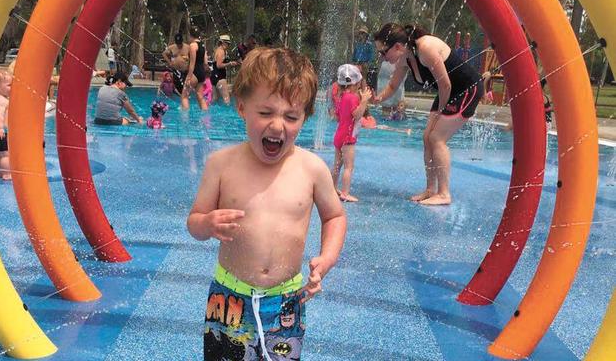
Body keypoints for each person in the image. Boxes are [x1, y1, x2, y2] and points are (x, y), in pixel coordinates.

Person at [187, 47, 346, 361]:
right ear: (242, 107)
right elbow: (194, 221)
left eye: (291, 116)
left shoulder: (311, 169)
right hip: (229, 300)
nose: (277, 126)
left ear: (305, 117)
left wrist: (326, 259)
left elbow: (335, 216)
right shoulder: (221, 164)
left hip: (287, 300)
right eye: (265, 113)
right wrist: (206, 224)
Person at [374, 23, 483, 206]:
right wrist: (376, 99)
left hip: (466, 89)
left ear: (398, 47)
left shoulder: (426, 48)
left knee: (436, 138)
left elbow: (446, 85)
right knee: (427, 137)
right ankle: (430, 189)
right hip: (447, 92)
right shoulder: (405, 58)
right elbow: (393, 86)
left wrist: (439, 114)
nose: (382, 58)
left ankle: (444, 193)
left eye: (383, 53)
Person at [331, 64, 371, 203]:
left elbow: (337, 116)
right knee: (349, 167)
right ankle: (345, 193)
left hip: (339, 135)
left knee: (337, 165)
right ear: (355, 83)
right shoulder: (352, 97)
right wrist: (364, 101)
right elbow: (357, 115)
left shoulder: (341, 97)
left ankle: (332, 188)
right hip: (348, 138)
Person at [184, 26, 209, 111]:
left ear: (190, 35)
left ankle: (184, 118)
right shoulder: (202, 45)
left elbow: (192, 63)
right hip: (202, 72)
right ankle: (206, 115)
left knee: (184, 96)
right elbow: (205, 62)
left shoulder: (192, 45)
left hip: (194, 72)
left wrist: (188, 77)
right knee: (200, 96)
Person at [162, 32, 190, 107]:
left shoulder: (187, 47)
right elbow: (164, 54)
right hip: (176, 70)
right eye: (177, 43)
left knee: (185, 88)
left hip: (185, 71)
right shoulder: (172, 47)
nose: (179, 45)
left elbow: (192, 57)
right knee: (177, 87)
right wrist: (169, 62)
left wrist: (187, 58)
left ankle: (185, 103)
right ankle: (181, 103)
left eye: (180, 43)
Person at [211, 34, 240, 104]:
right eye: (227, 43)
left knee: (214, 100)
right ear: (223, 43)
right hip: (220, 77)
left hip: (214, 76)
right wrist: (230, 64)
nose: (228, 45)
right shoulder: (221, 51)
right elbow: (219, 65)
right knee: (227, 100)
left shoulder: (217, 50)